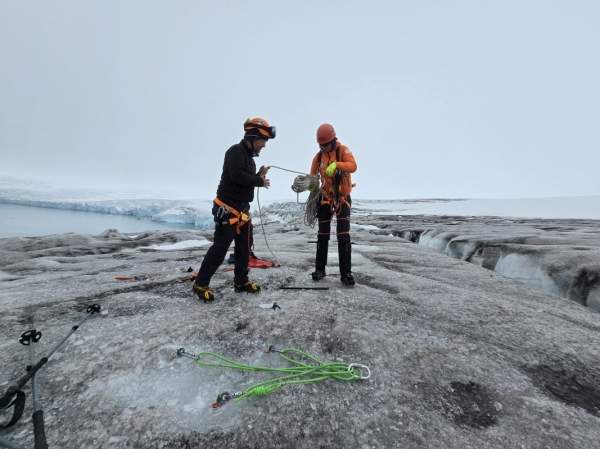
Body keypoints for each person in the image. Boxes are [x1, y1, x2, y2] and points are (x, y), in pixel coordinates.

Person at [192, 117, 275, 302]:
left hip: (242, 212)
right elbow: (237, 176)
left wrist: (257, 177)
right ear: (253, 137)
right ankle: (200, 284)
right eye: (263, 141)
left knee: (244, 249)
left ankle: (241, 282)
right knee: (220, 249)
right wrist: (257, 180)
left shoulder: (249, 159)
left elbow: (244, 181)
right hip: (227, 210)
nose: (264, 145)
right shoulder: (235, 152)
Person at [309, 123, 357, 286]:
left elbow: (353, 166)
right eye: (320, 145)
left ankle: (346, 274)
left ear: (333, 140)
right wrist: (311, 185)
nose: (323, 148)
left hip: (342, 198)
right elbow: (312, 177)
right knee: (322, 235)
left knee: (343, 236)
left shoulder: (342, 151)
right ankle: (320, 269)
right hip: (324, 198)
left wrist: (337, 164)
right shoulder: (318, 157)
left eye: (325, 145)